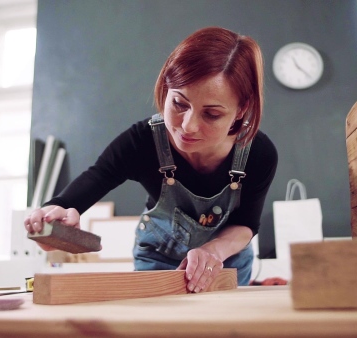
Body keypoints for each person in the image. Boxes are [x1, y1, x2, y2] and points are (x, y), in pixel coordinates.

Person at [25, 26, 278, 291]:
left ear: (241, 110)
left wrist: (212, 252)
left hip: (225, 262)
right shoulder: (141, 142)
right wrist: (54, 217)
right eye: (179, 104)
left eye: (212, 114)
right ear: (167, 88)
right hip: (158, 259)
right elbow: (93, 181)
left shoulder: (259, 154)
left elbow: (246, 224)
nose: (188, 126)